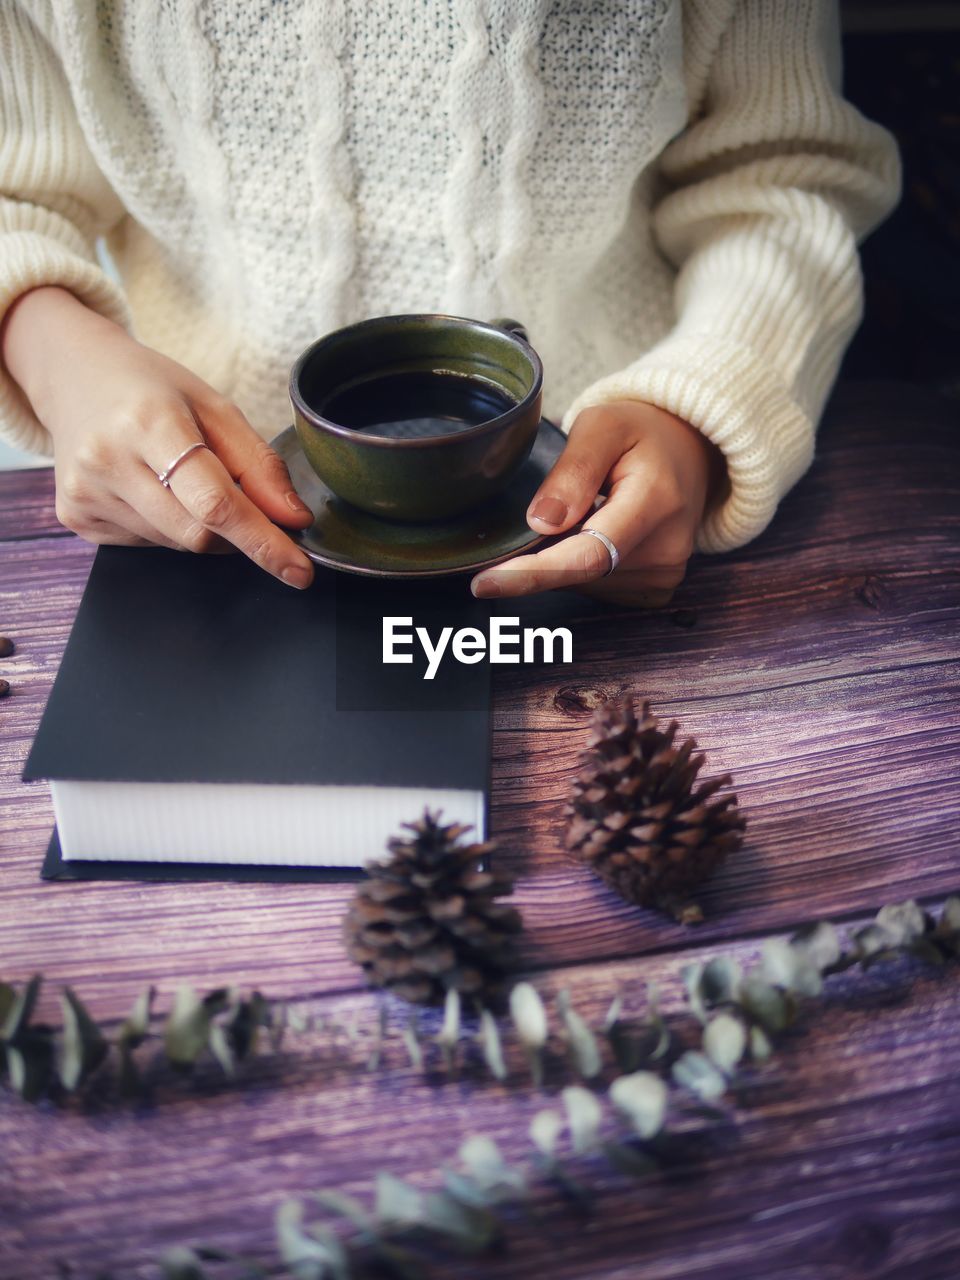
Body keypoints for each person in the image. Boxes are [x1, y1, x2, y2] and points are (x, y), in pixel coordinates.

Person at [0, 1, 899, 603]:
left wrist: (703, 411)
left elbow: (780, 174)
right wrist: (51, 352)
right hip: (181, 514)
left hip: (610, 528)